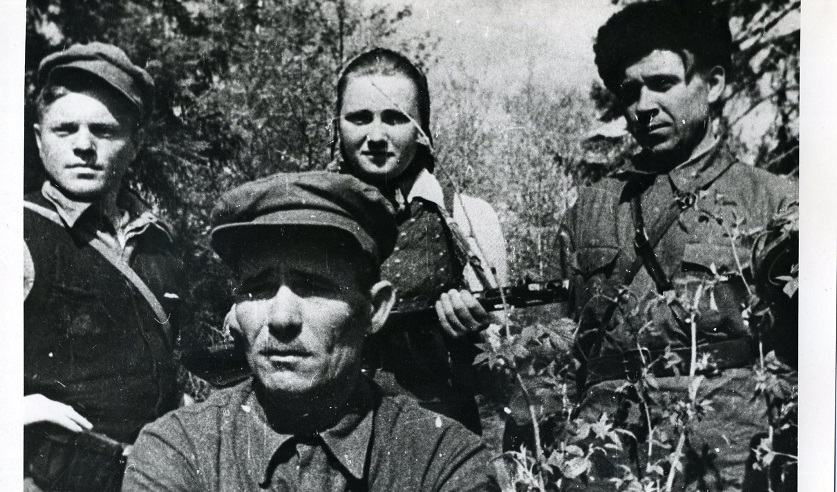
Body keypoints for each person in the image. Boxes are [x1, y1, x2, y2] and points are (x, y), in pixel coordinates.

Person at [510, 2, 797, 490]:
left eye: (662, 83)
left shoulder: (776, 203)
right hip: (604, 456)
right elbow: (551, 351)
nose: (643, 106)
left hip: (725, 456)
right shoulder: (588, 211)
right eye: (630, 91)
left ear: (714, 84)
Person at [123, 172, 496, 491]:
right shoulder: (179, 451)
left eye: (315, 287)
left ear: (375, 309)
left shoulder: (441, 460)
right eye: (258, 289)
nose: (281, 318)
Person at [23, 42, 183, 491]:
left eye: (103, 131)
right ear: (38, 139)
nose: (83, 146)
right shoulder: (17, 232)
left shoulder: (158, 243)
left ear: (135, 143)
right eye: (64, 129)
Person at [331, 48, 509, 434]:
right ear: (337, 125)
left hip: (439, 436)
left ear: (421, 128)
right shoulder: (311, 219)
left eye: (395, 118)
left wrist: (476, 331)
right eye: (359, 118)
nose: (376, 136)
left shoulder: (467, 217)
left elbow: (505, 362)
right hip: (335, 433)